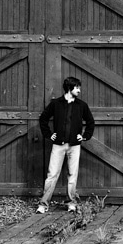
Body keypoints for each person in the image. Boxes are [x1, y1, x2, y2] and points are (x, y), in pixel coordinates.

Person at [36, 76, 95, 213]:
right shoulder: (56, 104)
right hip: (58, 146)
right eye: (77, 88)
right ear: (70, 88)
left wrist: (85, 136)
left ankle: (71, 203)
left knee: (72, 175)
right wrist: (49, 134)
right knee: (52, 175)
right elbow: (43, 118)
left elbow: (90, 122)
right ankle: (43, 205)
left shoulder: (82, 105)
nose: (79, 90)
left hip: (74, 146)